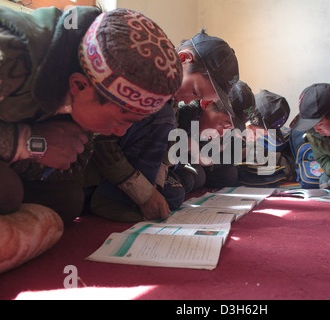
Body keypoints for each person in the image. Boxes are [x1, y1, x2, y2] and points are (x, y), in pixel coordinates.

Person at [0, 6, 183, 222]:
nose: (121, 132)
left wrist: (35, 151)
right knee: (6, 190)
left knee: (67, 199)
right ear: (79, 85)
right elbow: (37, 145)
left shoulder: (89, 92)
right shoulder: (11, 54)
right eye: (122, 121)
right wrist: (30, 142)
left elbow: (67, 172)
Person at [86, 30, 240, 222]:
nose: (187, 102)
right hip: (96, 162)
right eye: (194, 91)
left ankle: (130, 197)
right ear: (183, 58)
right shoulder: (141, 75)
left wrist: (154, 191)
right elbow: (102, 142)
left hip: (130, 167)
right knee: (162, 115)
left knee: (173, 196)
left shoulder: (171, 96)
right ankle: (111, 198)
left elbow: (164, 150)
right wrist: (145, 195)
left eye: (197, 97)